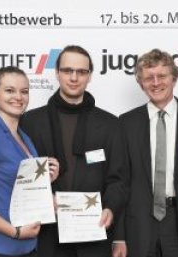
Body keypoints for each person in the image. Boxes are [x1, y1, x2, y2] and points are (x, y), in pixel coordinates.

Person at [19, 45, 127, 257]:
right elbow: (17, 178)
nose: (74, 77)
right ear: (57, 73)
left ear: (90, 76)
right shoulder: (30, 122)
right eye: (68, 70)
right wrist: (42, 199)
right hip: (45, 235)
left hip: (93, 234)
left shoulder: (111, 124)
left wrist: (111, 209)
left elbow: (119, 179)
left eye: (82, 72)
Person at [113, 49, 178, 257]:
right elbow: (120, 182)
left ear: (174, 78)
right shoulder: (125, 123)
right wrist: (119, 237)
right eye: (148, 78)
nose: (155, 83)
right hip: (139, 226)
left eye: (161, 76)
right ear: (141, 83)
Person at [0, 66, 59, 257]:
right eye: (9, 90)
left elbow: (15, 191)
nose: (18, 97)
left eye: (24, 91)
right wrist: (15, 232)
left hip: (27, 248)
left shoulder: (23, 137)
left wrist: (45, 181)